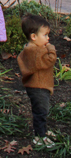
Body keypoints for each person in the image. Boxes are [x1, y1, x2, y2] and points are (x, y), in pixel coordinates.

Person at [17, 14, 57, 148]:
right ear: (34, 36)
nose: (48, 38)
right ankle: (39, 137)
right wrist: (51, 49)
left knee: (42, 110)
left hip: (38, 86)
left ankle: (42, 131)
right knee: (41, 111)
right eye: (45, 35)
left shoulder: (32, 48)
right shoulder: (35, 51)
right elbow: (50, 60)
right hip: (38, 87)